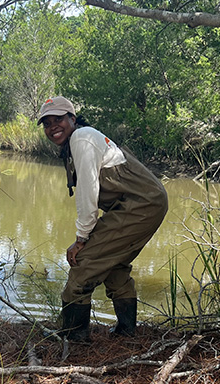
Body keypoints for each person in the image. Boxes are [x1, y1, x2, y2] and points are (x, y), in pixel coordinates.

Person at [37, 96, 168, 342]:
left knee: (83, 264)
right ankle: (126, 333)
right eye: (47, 123)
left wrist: (81, 239)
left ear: (72, 119)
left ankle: (74, 338)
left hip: (141, 205)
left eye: (59, 120)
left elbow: (88, 193)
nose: (53, 127)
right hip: (143, 203)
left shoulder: (82, 138)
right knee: (113, 265)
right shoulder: (79, 139)